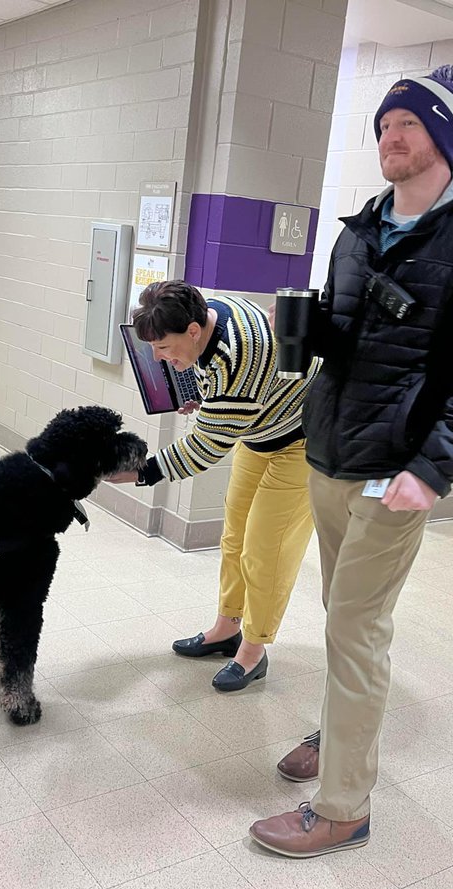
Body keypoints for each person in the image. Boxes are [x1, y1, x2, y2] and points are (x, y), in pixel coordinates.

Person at [248, 65, 453, 857]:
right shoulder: (360, 227)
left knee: (356, 628)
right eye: (381, 126)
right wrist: (312, 335)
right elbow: (352, 342)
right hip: (332, 455)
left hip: (396, 471)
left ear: (442, 138)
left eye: (407, 124)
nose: (390, 138)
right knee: (344, 619)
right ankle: (344, 731)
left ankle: (343, 806)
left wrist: (435, 469)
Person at [106, 280, 320, 692]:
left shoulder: (239, 358)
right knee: (235, 538)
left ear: (191, 330)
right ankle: (226, 630)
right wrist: (205, 392)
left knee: (266, 551)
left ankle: (254, 651)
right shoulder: (211, 310)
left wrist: (140, 472)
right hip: (259, 434)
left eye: (164, 348)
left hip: (300, 443)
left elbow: (205, 448)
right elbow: (221, 393)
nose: (160, 358)